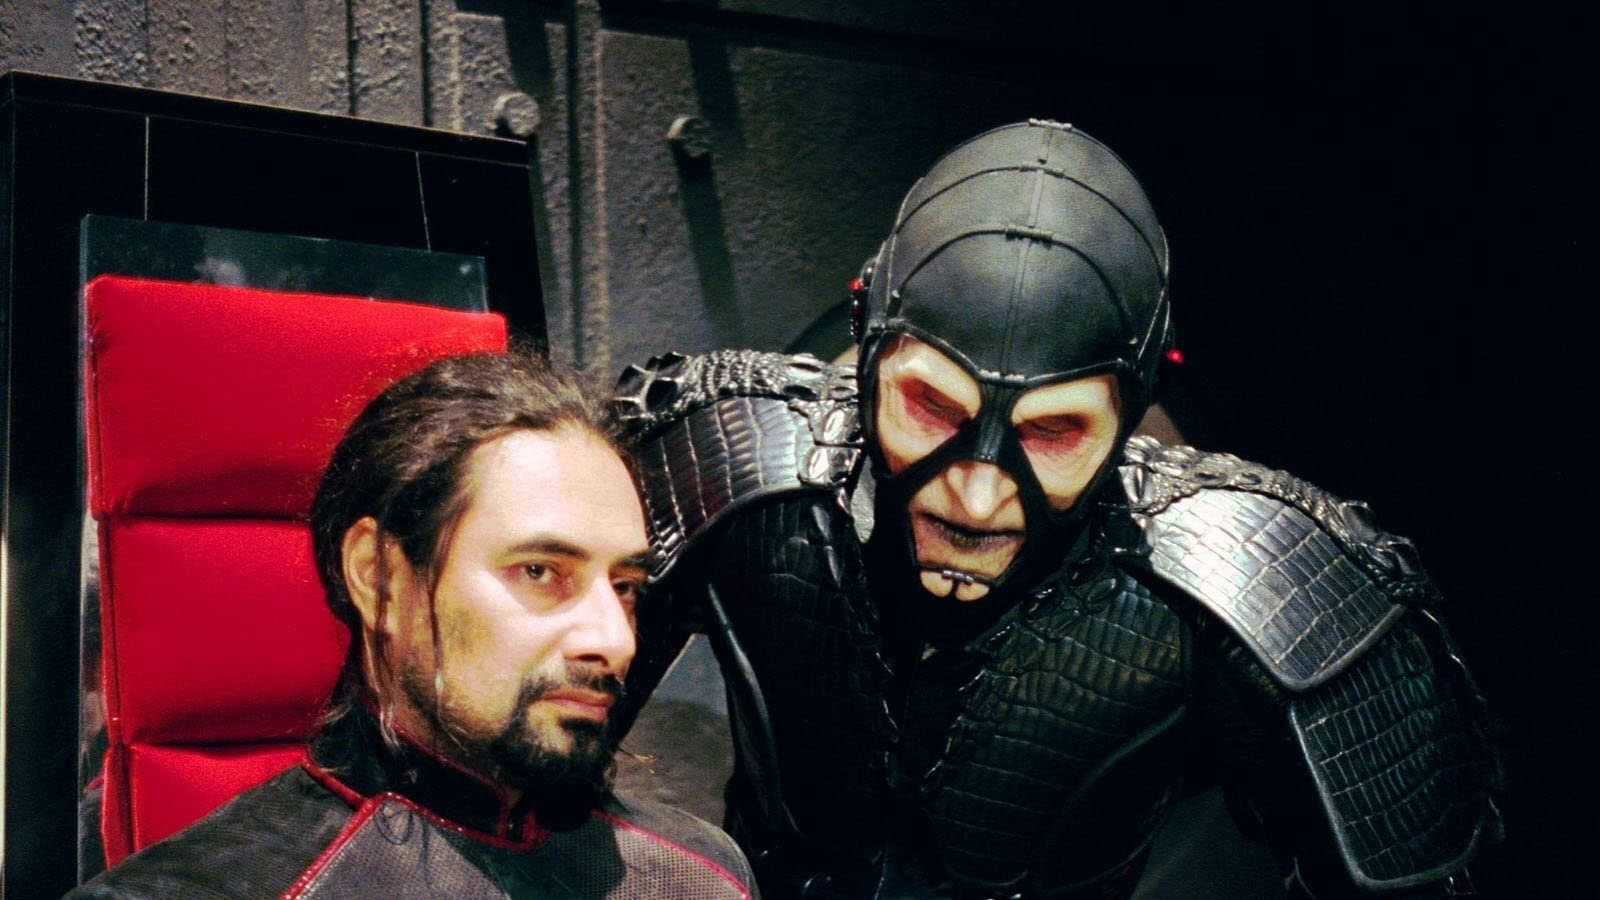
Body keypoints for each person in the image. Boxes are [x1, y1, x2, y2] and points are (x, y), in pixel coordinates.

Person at [611, 121, 1500, 899]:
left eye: (1053, 431)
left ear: (1131, 412)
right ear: (870, 353)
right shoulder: (734, 453)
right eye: (931, 407)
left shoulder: (1262, 577)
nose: (976, 495)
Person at [71, 352, 757, 899]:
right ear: (379, 577)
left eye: (626, 586)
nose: (614, 640)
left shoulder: (704, 873)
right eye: (540, 571)